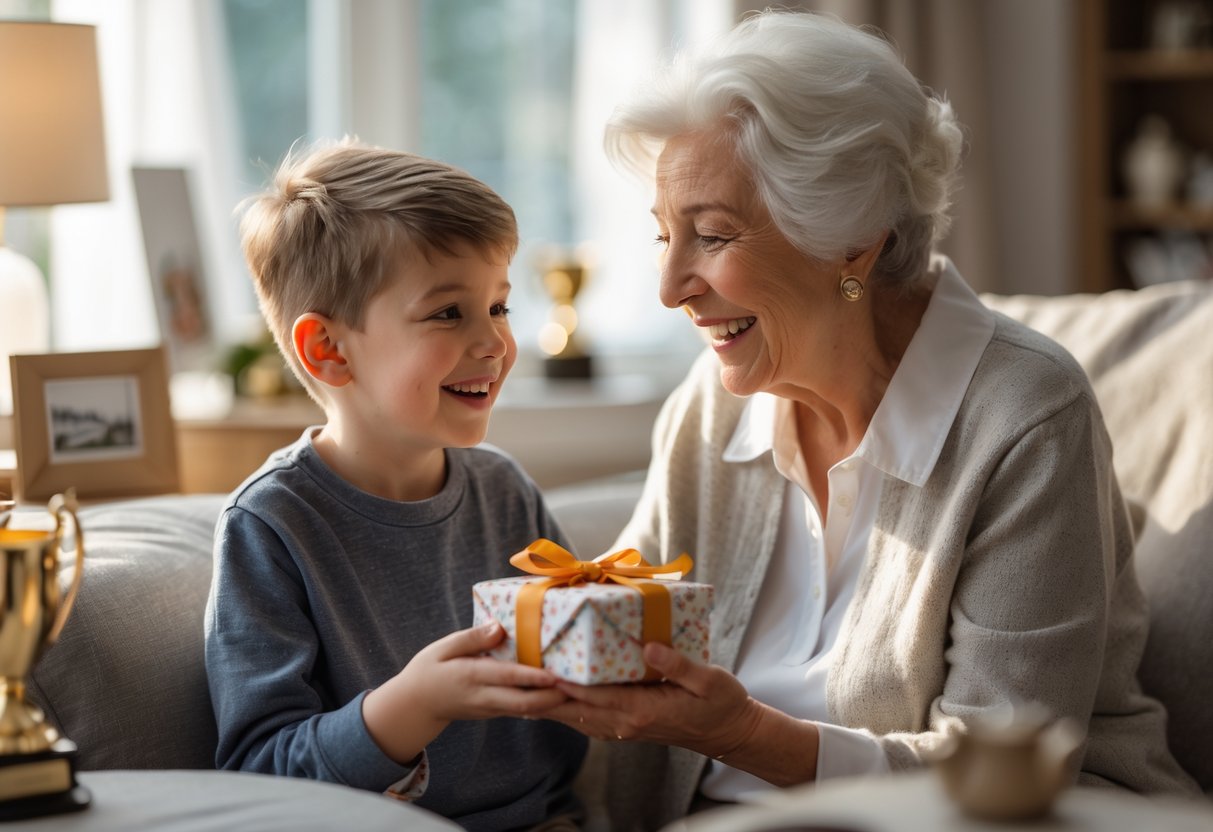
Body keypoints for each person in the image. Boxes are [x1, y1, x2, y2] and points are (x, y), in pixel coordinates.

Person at [541, 11, 1200, 829]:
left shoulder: (1022, 415)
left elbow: (1002, 763)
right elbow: (623, 632)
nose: (670, 287)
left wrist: (743, 733)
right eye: (662, 236)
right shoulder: (712, 407)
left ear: (851, 240)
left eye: (710, 236)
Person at [204, 141, 586, 831]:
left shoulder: (504, 490)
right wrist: (415, 704)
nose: (495, 342)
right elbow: (259, 773)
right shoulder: (271, 524)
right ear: (328, 349)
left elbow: (566, 719)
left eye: (498, 307)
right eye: (448, 313)